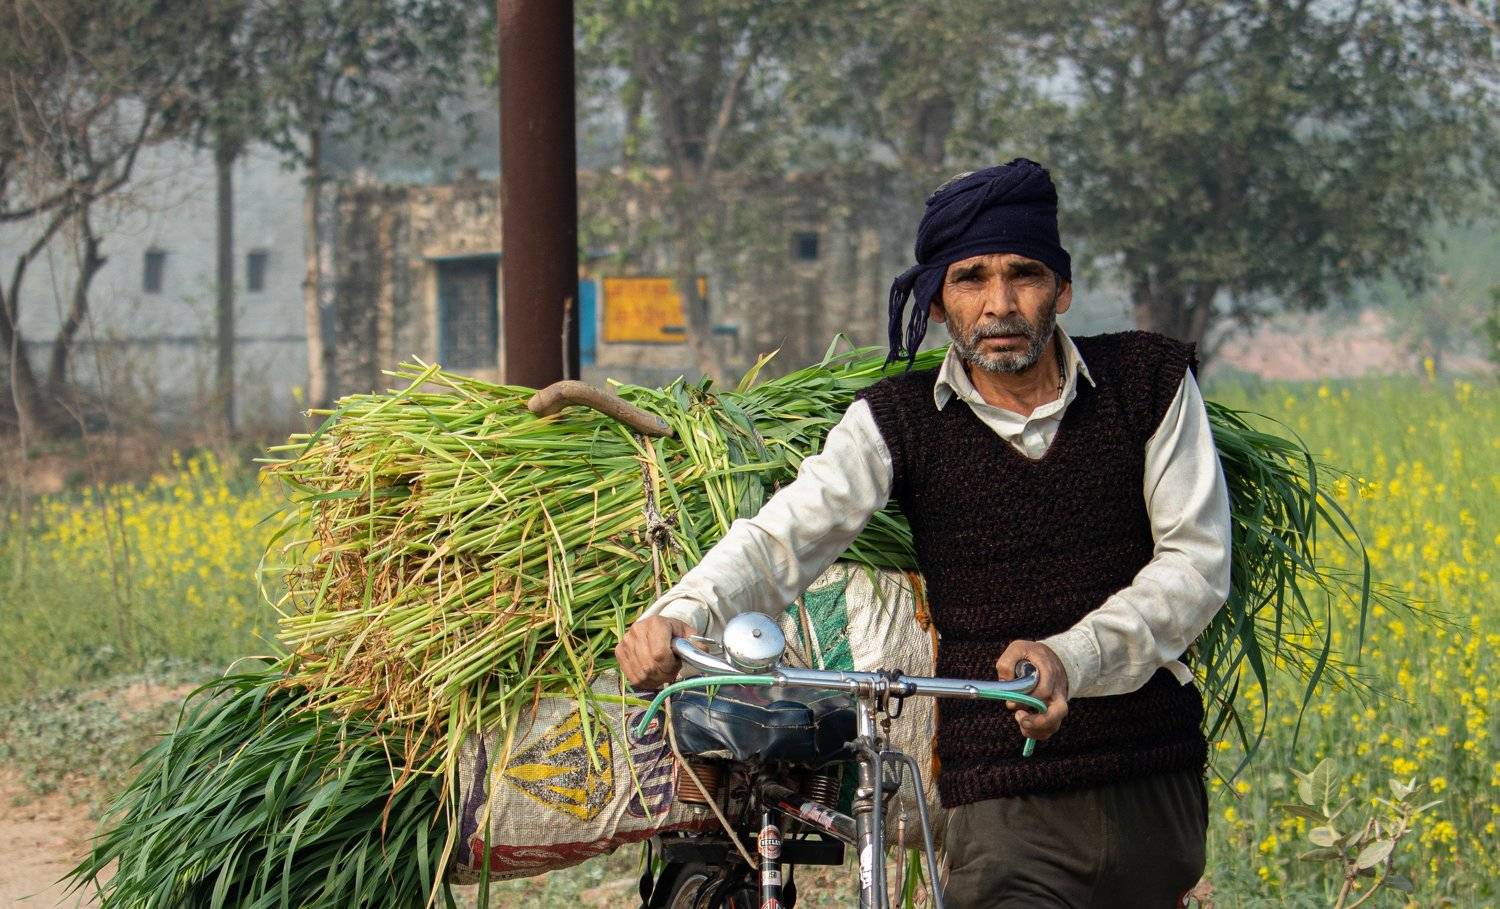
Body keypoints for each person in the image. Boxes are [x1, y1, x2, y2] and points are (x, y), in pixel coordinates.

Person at [615, 158, 1231, 908]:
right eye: (970, 279)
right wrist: (686, 611)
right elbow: (784, 537)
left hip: (1151, 779)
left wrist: (1069, 658)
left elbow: (1196, 563)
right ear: (938, 301)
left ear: (1062, 289)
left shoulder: (1149, 381)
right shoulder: (899, 420)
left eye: (1024, 275)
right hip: (1004, 797)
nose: (999, 304)